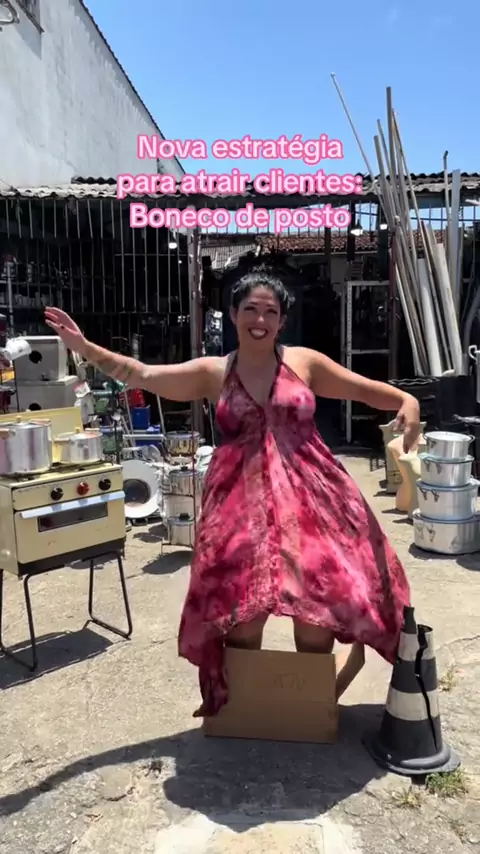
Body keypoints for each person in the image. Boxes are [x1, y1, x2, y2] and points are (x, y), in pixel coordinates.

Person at [45, 269, 420, 717]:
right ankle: (245, 706)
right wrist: (86, 349)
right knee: (241, 613)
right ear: (233, 314)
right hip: (239, 505)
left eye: (270, 312)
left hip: (312, 499)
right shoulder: (214, 372)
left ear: (282, 321)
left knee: (316, 610)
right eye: (251, 309)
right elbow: (143, 374)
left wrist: (407, 401)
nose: (260, 319)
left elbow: (362, 390)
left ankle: (310, 706)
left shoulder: (304, 364)